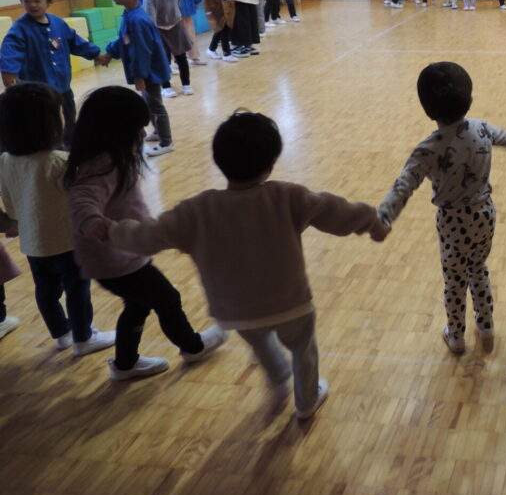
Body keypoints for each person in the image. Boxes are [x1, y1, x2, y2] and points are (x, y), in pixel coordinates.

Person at [110, 111, 387, 419]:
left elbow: (149, 235)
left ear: (219, 160)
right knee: (303, 349)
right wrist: (372, 222)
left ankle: (278, 376)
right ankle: (307, 401)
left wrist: (111, 231)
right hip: (290, 304)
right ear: (271, 163)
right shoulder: (287, 196)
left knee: (260, 340)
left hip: (235, 312)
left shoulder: (197, 210)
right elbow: (337, 211)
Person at [378, 62, 506, 353]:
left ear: (427, 109)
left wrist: (384, 216)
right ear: (470, 99)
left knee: (455, 282)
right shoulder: (482, 128)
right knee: (479, 269)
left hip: (452, 223)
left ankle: (455, 336)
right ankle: (486, 325)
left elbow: (404, 184)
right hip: (485, 214)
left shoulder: (428, 149)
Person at [65, 86, 226, 381]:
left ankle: (125, 364)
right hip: (114, 259)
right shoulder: (103, 164)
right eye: (137, 129)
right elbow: (83, 198)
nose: (142, 134)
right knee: (167, 299)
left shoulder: (113, 159)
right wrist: (92, 221)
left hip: (124, 253)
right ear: (114, 131)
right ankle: (193, 347)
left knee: (138, 305)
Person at [0, 82, 115, 356]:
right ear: (50, 124)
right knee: (77, 290)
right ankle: (84, 337)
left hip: (33, 244)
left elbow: (8, 200)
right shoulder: (60, 162)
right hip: (67, 242)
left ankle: (62, 334)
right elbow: (82, 199)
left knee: (46, 292)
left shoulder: (5, 160)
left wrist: (16, 221)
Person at [1, 0, 110, 149]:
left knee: (69, 120)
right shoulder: (20, 29)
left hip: (63, 87)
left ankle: (71, 151)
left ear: (49, 1)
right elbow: (10, 52)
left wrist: (96, 54)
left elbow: (75, 41)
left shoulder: (58, 23)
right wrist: (9, 76)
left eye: (37, 0)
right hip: (38, 93)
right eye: (26, 1)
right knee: (45, 126)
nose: (32, 5)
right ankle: (51, 153)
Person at [104, 0, 174, 158]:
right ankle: (158, 131)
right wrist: (110, 52)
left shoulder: (137, 20)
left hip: (150, 70)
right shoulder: (130, 15)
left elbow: (141, 51)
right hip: (146, 70)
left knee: (155, 104)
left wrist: (139, 75)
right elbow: (124, 39)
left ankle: (166, 141)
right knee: (149, 102)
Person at [147, 0, 194, 98]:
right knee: (163, 59)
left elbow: (177, 6)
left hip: (176, 26)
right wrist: (152, 30)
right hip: (158, 28)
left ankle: (186, 84)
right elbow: (149, 10)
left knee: (181, 57)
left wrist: (178, 22)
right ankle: (165, 86)